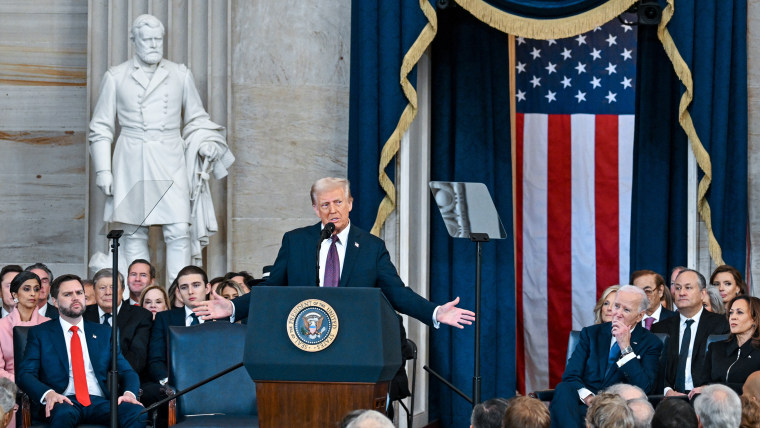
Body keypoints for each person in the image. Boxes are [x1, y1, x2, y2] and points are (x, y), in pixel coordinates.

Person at [194, 177, 475, 329]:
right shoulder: (297, 241)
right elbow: (272, 288)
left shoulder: (371, 247)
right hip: (303, 338)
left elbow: (397, 293)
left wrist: (435, 312)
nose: (332, 210)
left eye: (338, 202)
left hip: (352, 341)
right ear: (315, 209)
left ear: (350, 203)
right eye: (325, 204)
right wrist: (233, 307)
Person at [88, 14, 234, 284]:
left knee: (179, 229)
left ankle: (179, 298)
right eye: (148, 39)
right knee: (134, 233)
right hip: (133, 157)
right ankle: (138, 300)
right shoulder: (116, 76)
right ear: (134, 41)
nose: (155, 45)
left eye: (158, 39)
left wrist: (208, 142)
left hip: (170, 157)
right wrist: (103, 171)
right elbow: (100, 127)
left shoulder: (179, 74)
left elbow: (196, 117)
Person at [16, 274, 146, 427]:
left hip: (99, 402)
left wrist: (129, 394)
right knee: (64, 414)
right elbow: (25, 374)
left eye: (79, 293)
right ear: (55, 302)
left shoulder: (104, 333)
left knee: (137, 413)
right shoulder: (41, 333)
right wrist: (48, 394)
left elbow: (127, 371)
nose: (75, 297)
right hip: (63, 401)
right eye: (68, 294)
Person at [549, 285, 662, 428]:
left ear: (640, 316)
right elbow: (571, 376)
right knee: (563, 388)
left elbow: (645, 388)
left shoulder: (651, 343)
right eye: (617, 306)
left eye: (626, 310)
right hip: (584, 406)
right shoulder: (591, 334)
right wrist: (589, 399)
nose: (618, 313)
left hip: (618, 410)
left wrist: (625, 347)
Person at [651, 269, 730, 396]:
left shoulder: (721, 325)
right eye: (677, 288)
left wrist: (707, 389)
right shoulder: (659, 328)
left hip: (707, 396)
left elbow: (725, 367)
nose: (681, 293)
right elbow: (654, 367)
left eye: (688, 288)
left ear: (702, 293)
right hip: (669, 398)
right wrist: (667, 391)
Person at [83, 269, 153, 378]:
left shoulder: (140, 316)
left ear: (123, 290)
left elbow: (137, 359)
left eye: (113, 287)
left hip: (124, 380)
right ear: (94, 290)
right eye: (102, 288)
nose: (108, 292)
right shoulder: (83, 315)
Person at [0, 271, 49, 427]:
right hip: (7, 388)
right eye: (26, 289)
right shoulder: (1, 326)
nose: (33, 294)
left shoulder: (49, 324)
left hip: (43, 387)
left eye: (36, 289)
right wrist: (24, 383)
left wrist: (36, 385)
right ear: (15, 294)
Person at [689, 296, 760, 397]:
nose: (733, 317)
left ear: (754, 319)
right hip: (713, 406)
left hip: (748, 408)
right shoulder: (716, 348)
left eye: (739, 312)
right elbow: (702, 385)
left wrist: (715, 388)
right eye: (731, 312)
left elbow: (754, 388)